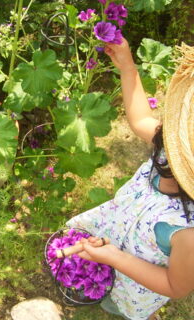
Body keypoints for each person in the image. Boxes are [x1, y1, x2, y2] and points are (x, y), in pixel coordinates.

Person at [66, 38, 194, 320]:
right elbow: (139, 120)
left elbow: (175, 285)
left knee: (124, 305)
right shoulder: (169, 148)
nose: (165, 135)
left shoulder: (189, 234)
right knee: (103, 282)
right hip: (112, 237)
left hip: (139, 283)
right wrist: (127, 67)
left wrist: (114, 258)